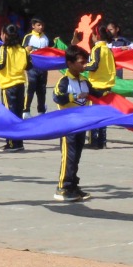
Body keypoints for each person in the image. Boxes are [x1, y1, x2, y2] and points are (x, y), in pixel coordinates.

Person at [53, 47, 91, 202]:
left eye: (85, 62)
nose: (84, 66)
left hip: (81, 125)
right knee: (69, 157)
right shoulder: (63, 81)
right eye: (81, 63)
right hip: (67, 126)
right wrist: (75, 96)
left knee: (76, 157)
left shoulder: (84, 80)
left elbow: (96, 94)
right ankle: (63, 187)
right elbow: (58, 97)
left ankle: (73, 184)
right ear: (70, 63)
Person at [0, 24, 29, 149]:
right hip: (20, 84)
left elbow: (0, 64)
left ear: (5, 35)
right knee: (17, 114)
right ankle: (19, 142)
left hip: (8, 86)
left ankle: (12, 143)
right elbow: (28, 65)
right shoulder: (22, 49)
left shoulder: (3, 49)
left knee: (9, 115)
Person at [84, 21, 119, 148]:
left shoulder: (97, 49)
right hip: (107, 85)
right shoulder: (108, 50)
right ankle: (103, 141)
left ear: (97, 36)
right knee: (104, 113)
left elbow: (93, 65)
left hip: (96, 86)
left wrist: (83, 66)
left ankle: (94, 141)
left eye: (92, 35)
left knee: (94, 113)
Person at [24, 17, 51, 114]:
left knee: (42, 90)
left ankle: (41, 110)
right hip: (32, 67)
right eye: (38, 25)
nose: (41, 27)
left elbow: (50, 52)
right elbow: (21, 51)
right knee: (31, 88)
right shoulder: (28, 37)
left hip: (43, 68)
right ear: (33, 26)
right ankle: (26, 110)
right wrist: (27, 49)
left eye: (42, 25)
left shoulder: (46, 38)